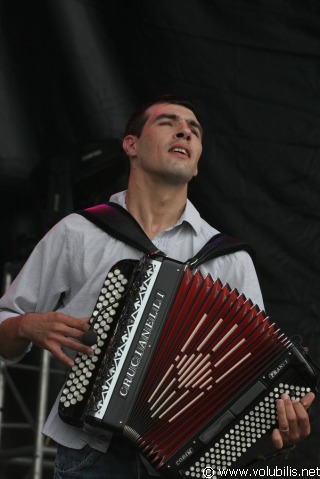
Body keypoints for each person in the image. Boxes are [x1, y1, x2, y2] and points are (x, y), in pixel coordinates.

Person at [0, 96, 315, 478]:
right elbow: (6, 325)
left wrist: (275, 426)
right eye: (168, 122)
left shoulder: (227, 259)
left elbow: (252, 375)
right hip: (91, 455)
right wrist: (25, 325)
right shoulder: (77, 232)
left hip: (188, 457)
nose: (185, 130)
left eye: (194, 130)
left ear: (197, 164)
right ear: (130, 145)